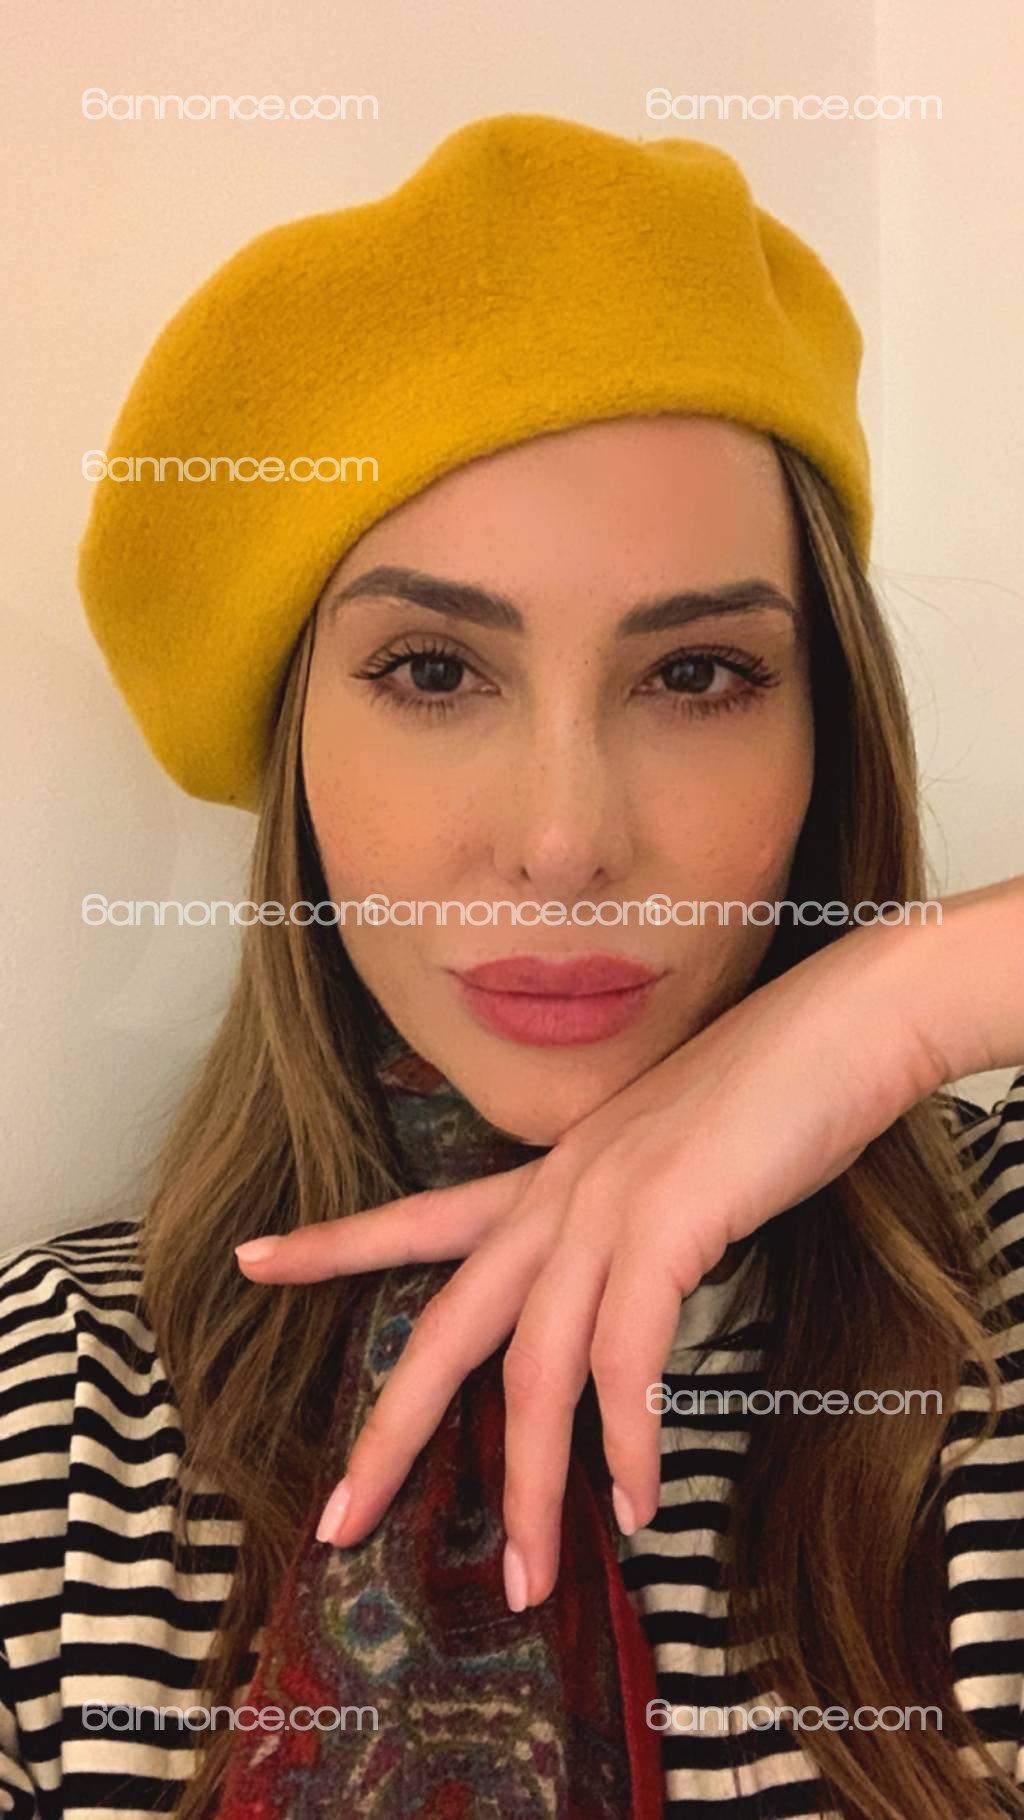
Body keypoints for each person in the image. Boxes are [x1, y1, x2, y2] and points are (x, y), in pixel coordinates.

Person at [1, 112, 1022, 1820]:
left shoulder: (995, 1291)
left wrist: (906, 1001)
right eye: (431, 671)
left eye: (696, 675)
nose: (563, 842)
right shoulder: (62, 1407)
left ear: (827, 734)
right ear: (294, 751)